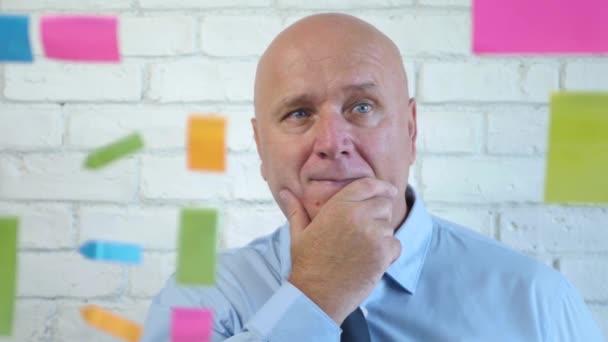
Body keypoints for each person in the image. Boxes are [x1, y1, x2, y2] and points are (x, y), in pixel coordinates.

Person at [141, 13, 604, 341]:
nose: (331, 141)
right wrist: (316, 295)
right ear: (261, 148)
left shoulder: (536, 300)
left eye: (361, 107)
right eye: (299, 113)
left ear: (410, 129)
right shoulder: (199, 296)